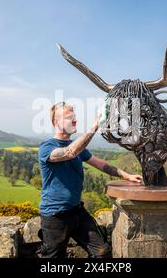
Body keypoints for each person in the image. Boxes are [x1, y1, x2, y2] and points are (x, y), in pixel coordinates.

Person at [38, 101, 142, 258]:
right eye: (68, 117)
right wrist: (95, 125)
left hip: (77, 213)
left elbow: (101, 164)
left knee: (102, 252)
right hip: (55, 217)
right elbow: (69, 152)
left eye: (74, 116)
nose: (74, 120)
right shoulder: (46, 147)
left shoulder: (78, 147)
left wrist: (126, 175)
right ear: (56, 121)